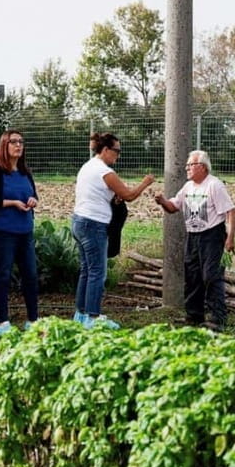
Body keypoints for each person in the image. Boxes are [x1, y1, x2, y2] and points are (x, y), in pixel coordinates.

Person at [72, 132, 154, 329]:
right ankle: (93, 318)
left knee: (86, 270)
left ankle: (80, 314)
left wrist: (113, 198)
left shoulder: (88, 166)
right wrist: (145, 182)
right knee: (97, 273)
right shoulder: (104, 171)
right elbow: (128, 195)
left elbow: (100, 193)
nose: (118, 154)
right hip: (94, 225)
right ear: (106, 150)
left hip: (79, 221)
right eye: (116, 150)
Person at [155, 150, 235, 332]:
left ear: (202, 167)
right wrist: (162, 201)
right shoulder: (188, 187)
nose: (187, 168)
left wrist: (230, 238)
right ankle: (194, 316)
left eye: (190, 165)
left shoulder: (214, 185)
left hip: (212, 236)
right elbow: (173, 207)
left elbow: (230, 211)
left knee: (211, 277)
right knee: (192, 276)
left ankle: (218, 319)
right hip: (193, 236)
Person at [0, 130, 39, 335]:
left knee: (30, 274)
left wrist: (33, 201)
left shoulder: (24, 172)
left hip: (25, 231)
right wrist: (11, 202)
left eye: (21, 142)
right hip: (3, 231)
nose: (18, 146)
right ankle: (3, 321)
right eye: (14, 142)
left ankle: (33, 319)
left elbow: (34, 196)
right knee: (3, 275)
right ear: (5, 145)